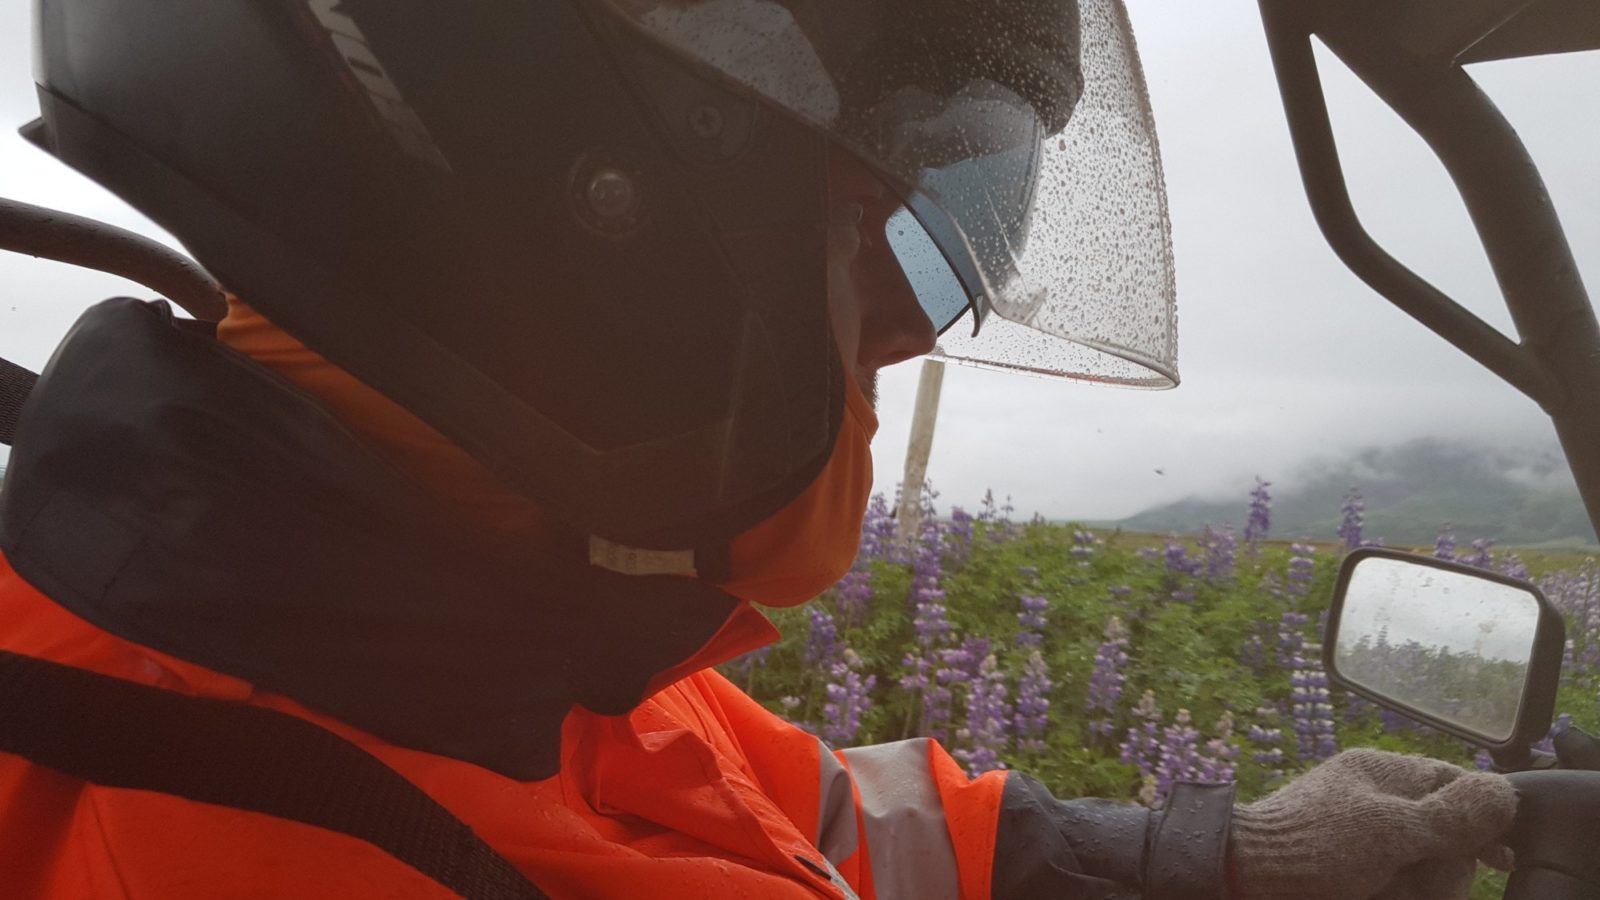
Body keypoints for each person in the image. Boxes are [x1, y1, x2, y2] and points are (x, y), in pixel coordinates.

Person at [0, 0, 1517, 897]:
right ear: (603, 210)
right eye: (898, 241)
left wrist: (1206, 858)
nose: (911, 339)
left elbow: (820, 820)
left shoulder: (445, 633)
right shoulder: (301, 828)